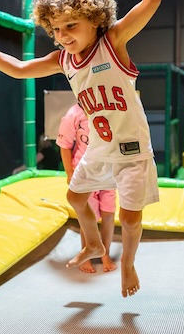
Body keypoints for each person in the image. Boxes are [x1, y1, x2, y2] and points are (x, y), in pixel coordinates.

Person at [0, 0, 161, 297]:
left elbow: (152, 0)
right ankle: (94, 244)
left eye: (71, 26)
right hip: (99, 146)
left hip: (130, 147)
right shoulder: (63, 60)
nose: (63, 36)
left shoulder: (114, 42)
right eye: (56, 30)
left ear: (95, 20)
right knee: (77, 198)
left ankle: (127, 262)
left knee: (129, 216)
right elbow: (18, 68)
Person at [57, 103, 117, 274]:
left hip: (108, 170)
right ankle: (88, 253)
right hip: (84, 172)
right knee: (87, 216)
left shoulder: (110, 109)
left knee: (108, 214)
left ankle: (105, 253)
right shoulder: (74, 113)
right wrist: (69, 171)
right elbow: (65, 145)